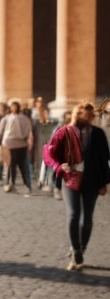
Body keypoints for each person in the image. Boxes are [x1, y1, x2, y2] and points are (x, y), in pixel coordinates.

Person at [44, 103, 110, 270]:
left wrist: (104, 183)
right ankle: (75, 251)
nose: (90, 118)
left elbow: (104, 160)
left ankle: (81, 249)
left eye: (91, 115)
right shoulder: (63, 131)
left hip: (92, 181)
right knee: (74, 214)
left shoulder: (98, 134)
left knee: (87, 218)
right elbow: (53, 154)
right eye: (87, 115)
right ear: (78, 114)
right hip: (69, 180)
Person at [0, 100, 32, 194]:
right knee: (21, 165)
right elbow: (28, 131)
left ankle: (11, 184)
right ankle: (25, 185)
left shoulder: (7, 118)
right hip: (20, 143)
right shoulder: (25, 118)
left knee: (11, 165)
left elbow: (0, 131)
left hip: (10, 143)